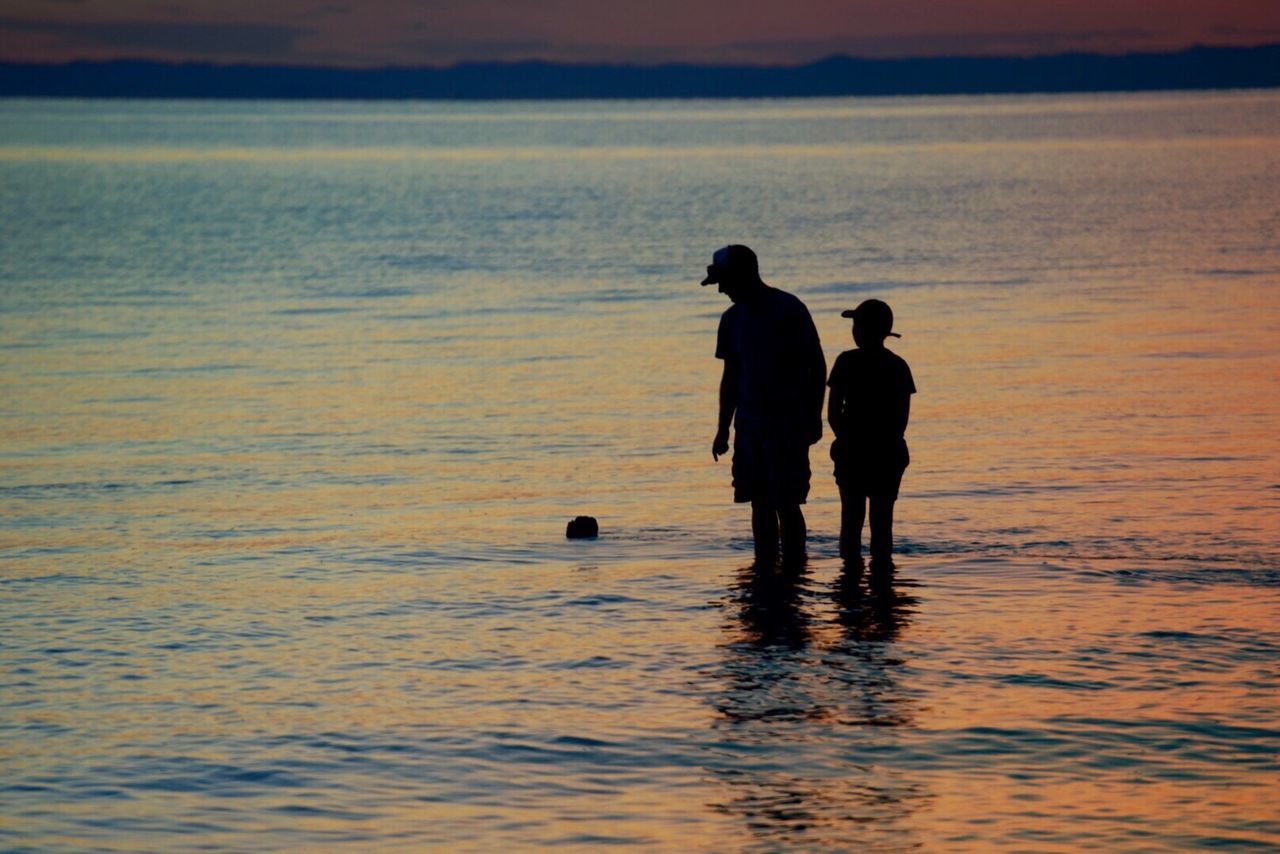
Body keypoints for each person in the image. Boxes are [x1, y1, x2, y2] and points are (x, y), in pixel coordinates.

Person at [702, 245, 826, 564]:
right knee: (758, 500)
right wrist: (722, 430)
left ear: (743, 275)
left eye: (724, 281)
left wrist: (814, 416)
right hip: (749, 426)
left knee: (786, 500)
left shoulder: (789, 309)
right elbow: (730, 378)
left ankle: (796, 569)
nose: (721, 289)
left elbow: (817, 365)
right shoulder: (731, 320)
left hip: (788, 423)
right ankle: (765, 567)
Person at [827, 299, 916, 567]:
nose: (853, 330)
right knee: (882, 522)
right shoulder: (898, 365)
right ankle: (882, 581)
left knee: (851, 521)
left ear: (862, 329)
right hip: (888, 453)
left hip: (853, 452)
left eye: (856, 324)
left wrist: (845, 440)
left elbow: (833, 412)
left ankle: (850, 581)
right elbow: (901, 419)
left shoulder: (845, 361)